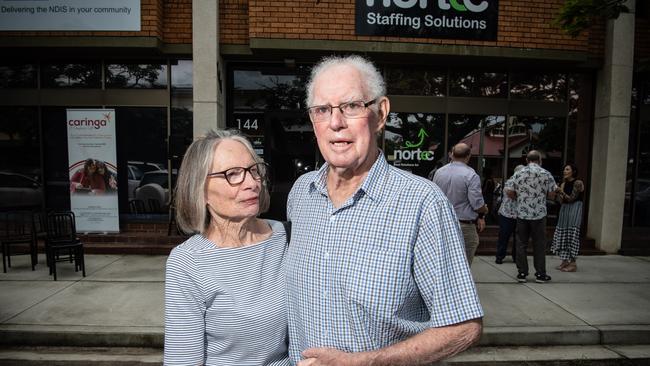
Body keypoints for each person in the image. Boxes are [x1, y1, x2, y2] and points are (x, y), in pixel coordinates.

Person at [286, 55, 483, 366]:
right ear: (314, 121)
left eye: (351, 106)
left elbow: (463, 326)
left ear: (380, 114)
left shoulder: (422, 203)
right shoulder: (301, 193)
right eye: (323, 110)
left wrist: (364, 362)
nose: (336, 123)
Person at [164, 129, 289, 366]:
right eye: (233, 174)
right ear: (201, 189)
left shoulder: (285, 237)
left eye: (254, 170)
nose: (252, 183)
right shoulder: (187, 263)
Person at [506, 150, 558, 283]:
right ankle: (540, 274)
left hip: (522, 214)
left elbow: (509, 191)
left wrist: (520, 198)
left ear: (527, 160)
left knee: (521, 243)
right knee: (539, 244)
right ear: (540, 160)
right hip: (539, 214)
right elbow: (552, 194)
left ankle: (522, 273)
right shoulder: (546, 174)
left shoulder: (518, 173)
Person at [432, 143, 488, 265]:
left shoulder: (439, 172)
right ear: (468, 156)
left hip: (442, 223)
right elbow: (477, 203)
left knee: (443, 262)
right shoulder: (471, 175)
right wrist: (483, 212)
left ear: (452, 154)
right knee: (463, 264)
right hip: (463, 225)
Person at [550, 163, 585, 272]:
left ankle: (573, 263)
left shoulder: (578, 183)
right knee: (562, 235)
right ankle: (564, 261)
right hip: (564, 209)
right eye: (564, 169)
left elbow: (571, 199)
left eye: (567, 169)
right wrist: (556, 194)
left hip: (574, 209)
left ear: (573, 171)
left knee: (572, 235)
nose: (565, 171)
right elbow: (560, 201)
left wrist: (561, 192)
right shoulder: (563, 184)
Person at [495, 164, 523, 264]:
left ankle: (516, 257)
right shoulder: (511, 181)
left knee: (518, 238)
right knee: (504, 236)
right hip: (507, 214)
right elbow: (511, 194)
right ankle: (500, 256)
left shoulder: (524, 182)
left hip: (519, 214)